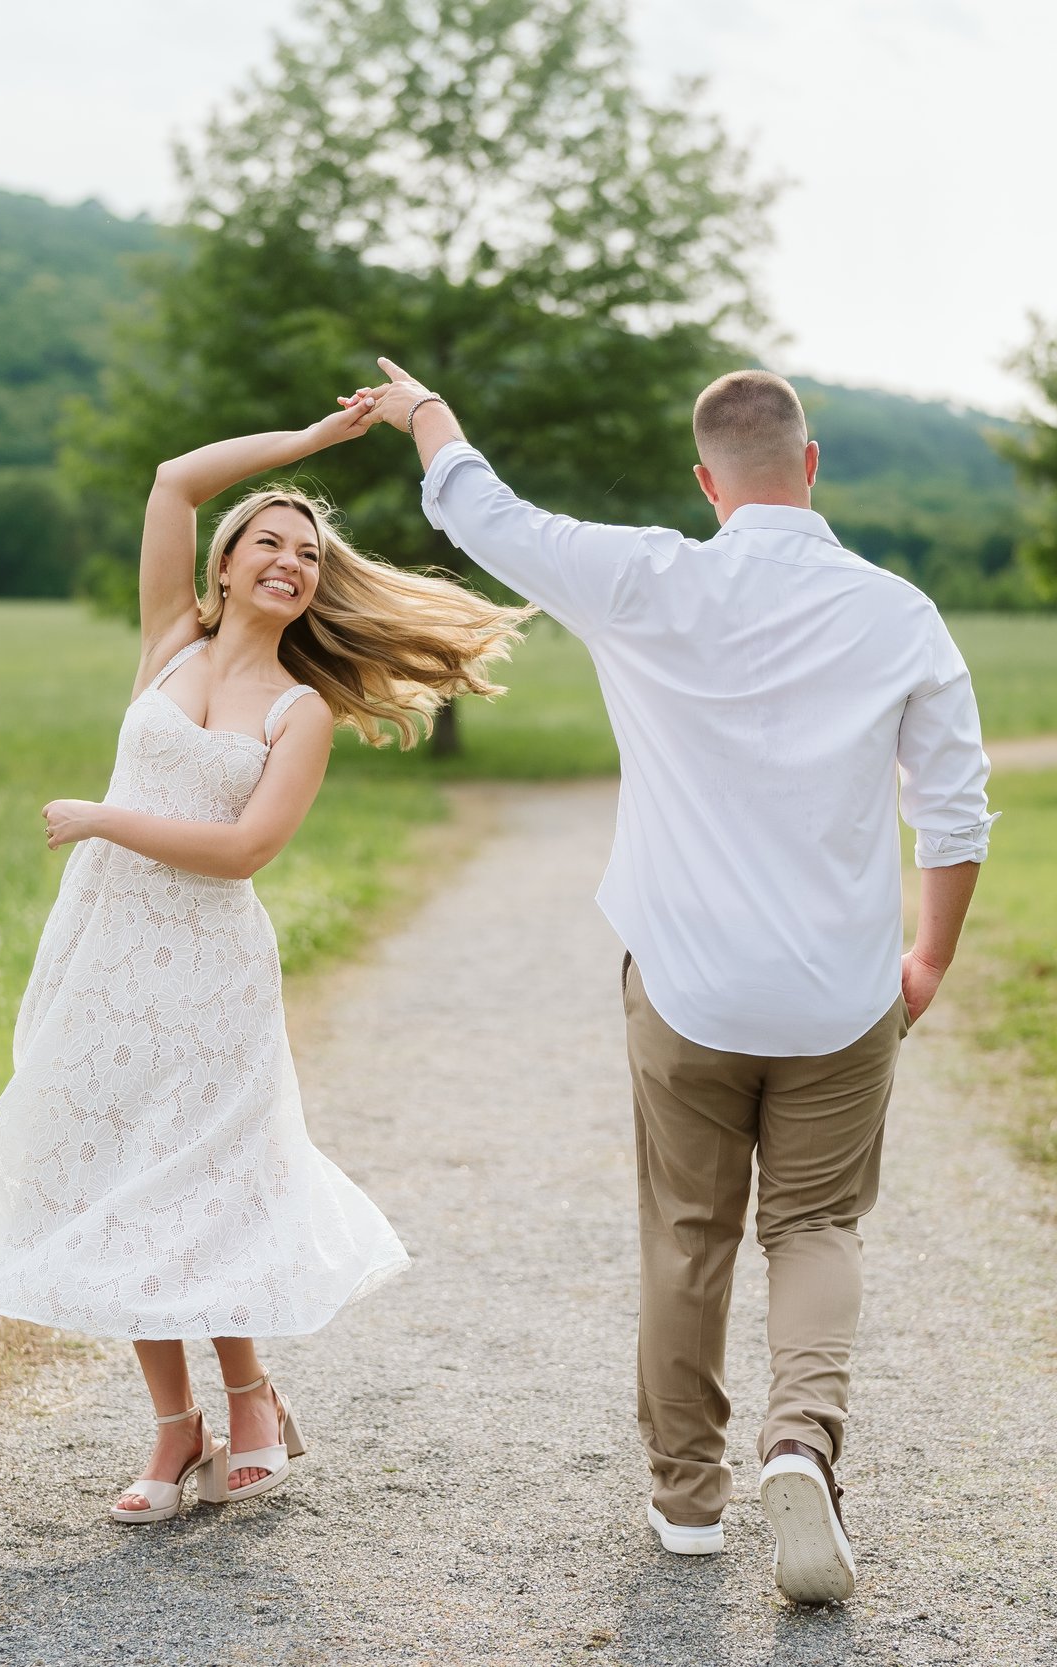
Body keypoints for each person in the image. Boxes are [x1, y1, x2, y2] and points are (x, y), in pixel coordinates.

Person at [356, 359, 995, 1603]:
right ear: (809, 467)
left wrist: (424, 414)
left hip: (689, 987)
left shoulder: (644, 576)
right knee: (814, 1225)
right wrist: (926, 959)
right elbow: (957, 811)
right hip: (841, 993)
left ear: (707, 483)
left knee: (686, 1234)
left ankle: (687, 1499)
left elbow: (484, 514)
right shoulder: (898, 611)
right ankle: (800, 1442)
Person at [0, 394, 531, 1523]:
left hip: (207, 970)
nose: (290, 561)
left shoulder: (299, 709)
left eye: (309, 552)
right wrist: (311, 450)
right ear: (228, 561)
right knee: (113, 1174)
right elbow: (169, 479)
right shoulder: (169, 643)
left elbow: (245, 849)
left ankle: (250, 1398)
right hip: (103, 947)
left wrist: (106, 817)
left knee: (194, 1184)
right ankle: (174, 1425)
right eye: (270, 543)